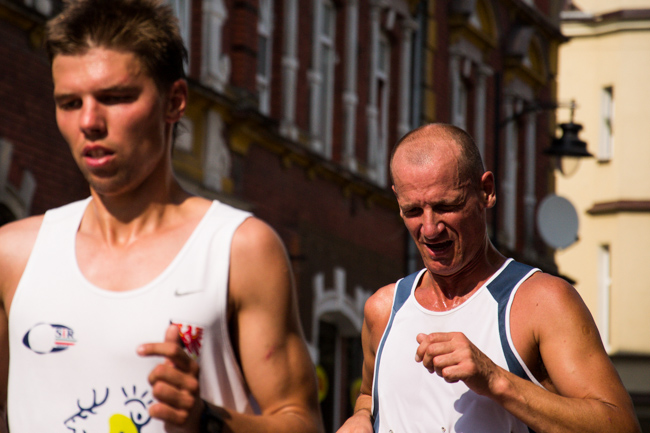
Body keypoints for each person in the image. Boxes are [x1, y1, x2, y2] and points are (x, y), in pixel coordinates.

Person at [0, 0, 324, 432]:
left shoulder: (239, 249)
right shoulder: (13, 255)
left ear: (174, 101)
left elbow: (302, 422)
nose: (89, 121)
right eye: (70, 102)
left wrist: (206, 420)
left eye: (116, 98)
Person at [337, 123, 641, 433]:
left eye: (446, 206)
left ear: (486, 191)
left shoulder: (540, 302)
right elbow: (368, 397)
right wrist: (360, 417)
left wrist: (496, 380)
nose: (429, 228)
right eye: (413, 210)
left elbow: (622, 426)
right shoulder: (383, 310)